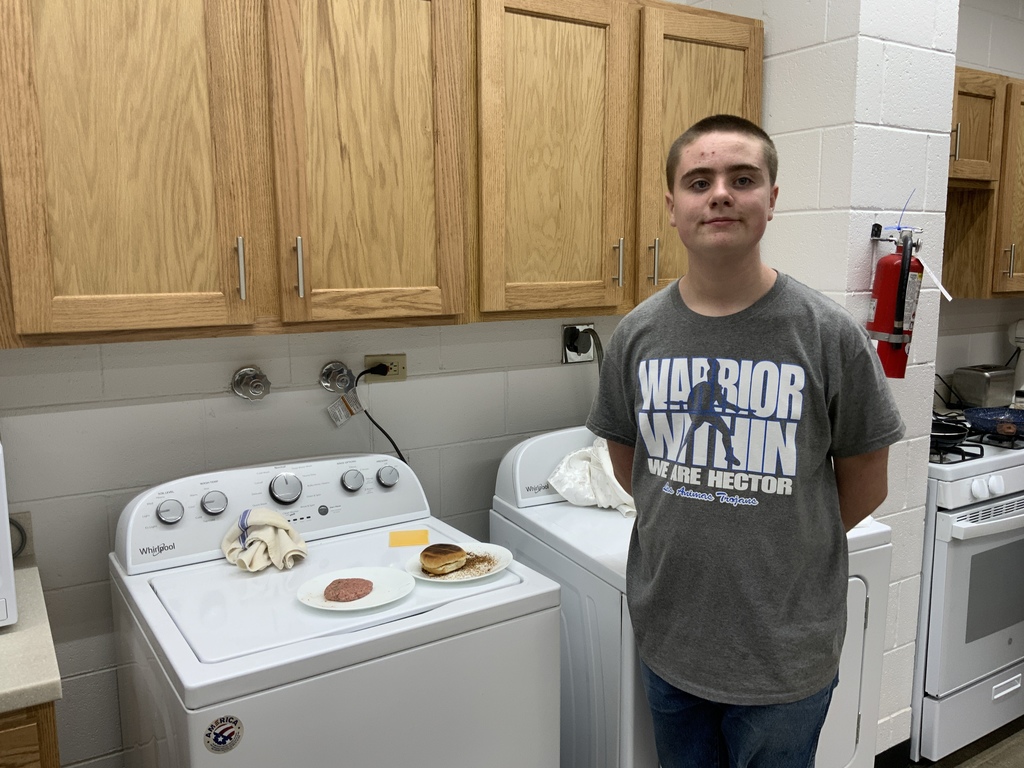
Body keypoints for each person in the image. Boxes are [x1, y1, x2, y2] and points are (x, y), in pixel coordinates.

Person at [586, 114, 905, 768]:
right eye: (699, 181)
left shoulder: (825, 335)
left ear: (772, 199)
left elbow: (868, 481)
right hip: (670, 639)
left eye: (742, 179)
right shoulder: (638, 335)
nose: (721, 194)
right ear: (673, 207)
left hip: (784, 656)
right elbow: (631, 465)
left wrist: (784, 525)